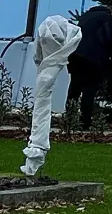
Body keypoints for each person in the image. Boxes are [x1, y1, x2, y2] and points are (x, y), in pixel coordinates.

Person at [21, 13, 80, 176]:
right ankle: (37, 150)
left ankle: (37, 150)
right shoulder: (72, 34)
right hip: (48, 70)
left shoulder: (50, 31)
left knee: (41, 107)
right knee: (41, 107)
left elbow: (37, 53)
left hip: (46, 71)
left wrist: (41, 62)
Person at [65, 2, 112, 130]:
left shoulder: (86, 15)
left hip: (75, 55)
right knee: (89, 89)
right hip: (93, 58)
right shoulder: (107, 18)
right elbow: (109, 38)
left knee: (75, 88)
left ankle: (69, 119)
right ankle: (84, 122)